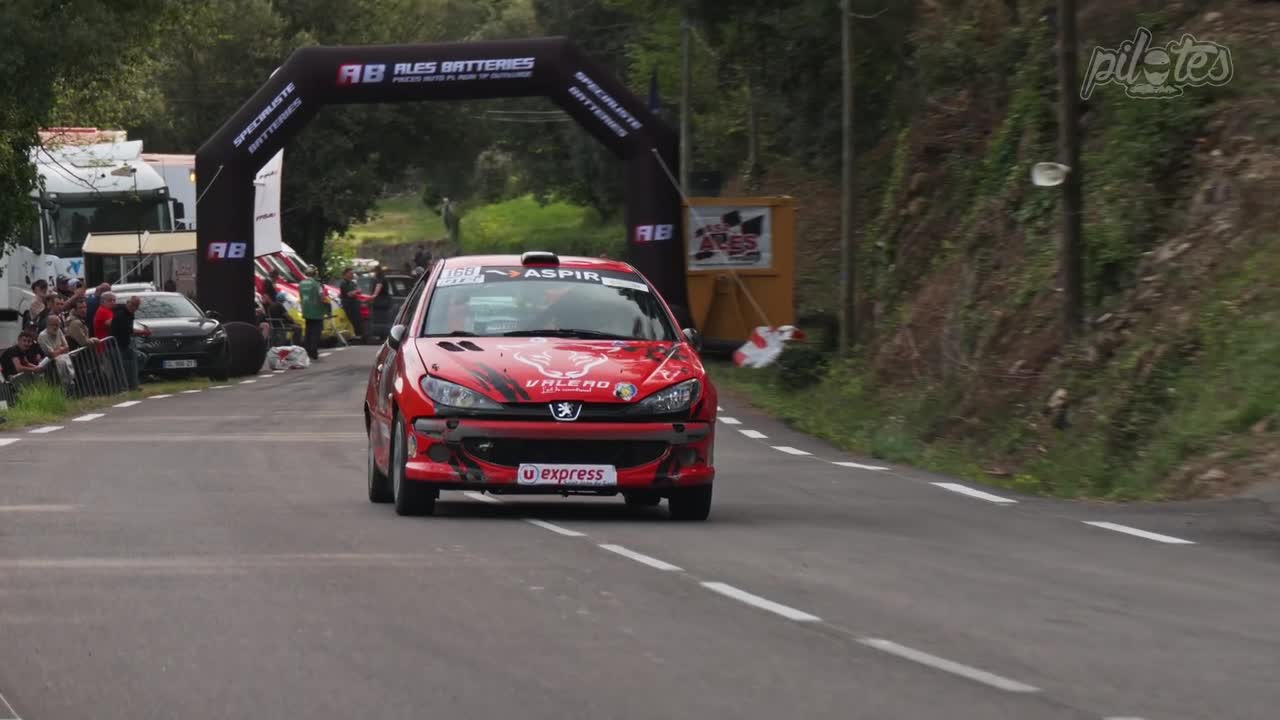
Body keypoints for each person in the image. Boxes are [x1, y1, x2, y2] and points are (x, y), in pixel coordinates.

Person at [110, 296, 146, 390]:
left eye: (136, 306)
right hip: (118, 344)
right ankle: (126, 385)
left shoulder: (130, 314)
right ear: (128, 303)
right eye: (133, 305)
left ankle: (132, 384)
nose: (134, 308)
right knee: (123, 366)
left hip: (125, 343)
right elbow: (127, 330)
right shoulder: (121, 314)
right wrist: (142, 332)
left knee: (137, 360)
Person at [298, 266, 327, 360]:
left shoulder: (301, 284)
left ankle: (308, 350)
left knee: (308, 331)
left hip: (306, 311)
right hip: (317, 312)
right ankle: (313, 351)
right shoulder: (317, 284)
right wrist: (326, 304)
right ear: (315, 273)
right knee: (316, 332)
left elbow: (301, 297)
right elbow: (322, 297)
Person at [38, 315, 74, 383]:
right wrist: (61, 349)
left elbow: (67, 348)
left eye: (57, 325)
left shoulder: (59, 331)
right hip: (49, 367)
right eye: (52, 325)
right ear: (47, 325)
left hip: (63, 363)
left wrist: (57, 351)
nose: (55, 327)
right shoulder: (42, 336)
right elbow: (51, 355)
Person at [338, 267, 363, 342]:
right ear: (345, 274)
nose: (352, 275)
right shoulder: (343, 283)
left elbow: (359, 290)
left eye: (352, 273)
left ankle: (359, 336)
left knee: (357, 320)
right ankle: (353, 337)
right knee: (352, 320)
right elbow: (349, 294)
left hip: (354, 304)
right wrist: (356, 291)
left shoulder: (352, 283)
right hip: (348, 305)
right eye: (350, 273)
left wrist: (356, 291)